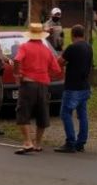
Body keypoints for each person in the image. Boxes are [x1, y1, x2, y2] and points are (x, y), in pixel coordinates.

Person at [13, 23, 62, 154]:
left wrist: (17, 74)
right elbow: (57, 69)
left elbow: (17, 60)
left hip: (28, 84)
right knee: (42, 114)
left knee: (23, 113)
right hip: (43, 85)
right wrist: (46, 75)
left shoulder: (24, 47)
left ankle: (28, 141)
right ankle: (38, 143)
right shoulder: (46, 50)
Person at [55, 24, 92, 153]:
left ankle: (70, 142)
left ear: (72, 35)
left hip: (72, 86)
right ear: (83, 34)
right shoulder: (88, 47)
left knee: (65, 113)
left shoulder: (72, 47)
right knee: (82, 115)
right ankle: (81, 142)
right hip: (85, 86)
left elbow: (60, 62)